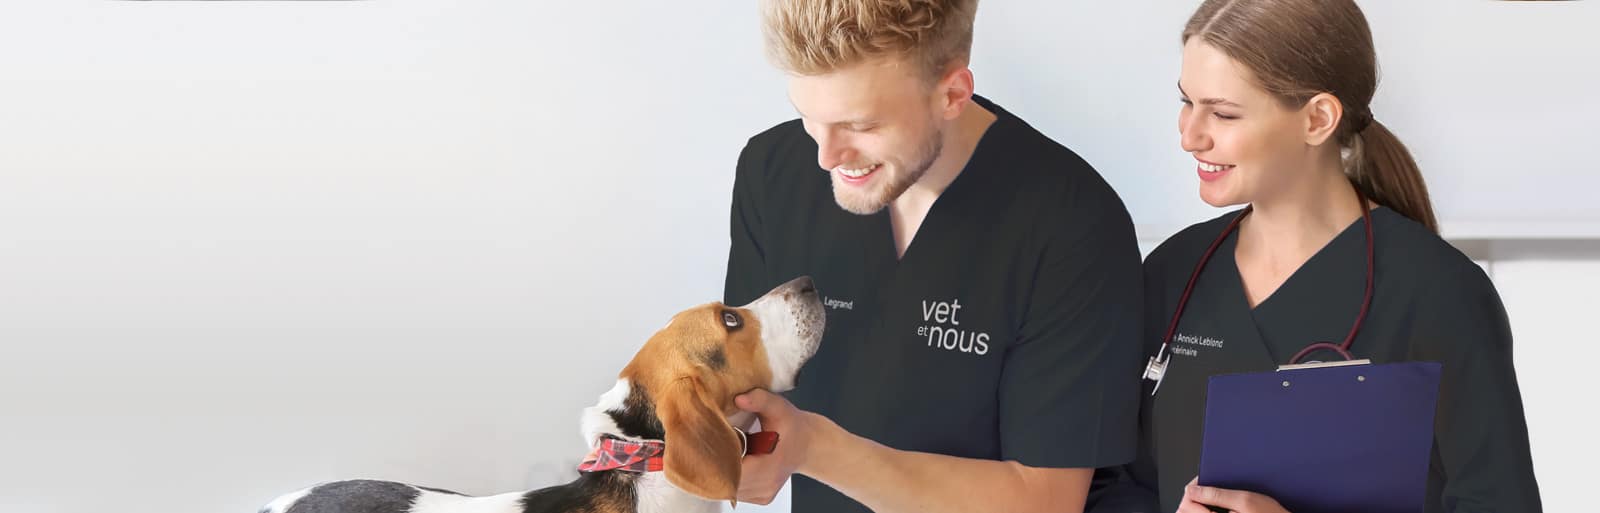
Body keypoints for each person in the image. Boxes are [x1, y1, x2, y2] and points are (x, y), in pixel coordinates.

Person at [1087, 1, 1543, 512]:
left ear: (1318, 119)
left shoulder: (1440, 293)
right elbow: (1106, 485)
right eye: (1186, 102)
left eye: (1223, 113)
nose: (1189, 135)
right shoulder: (1174, 272)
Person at [721, 1, 1145, 512]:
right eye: (807, 118)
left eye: (861, 125)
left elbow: (1046, 500)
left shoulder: (1071, 222)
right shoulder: (771, 174)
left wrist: (813, 448)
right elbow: (741, 385)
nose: (826, 156)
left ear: (952, 95)